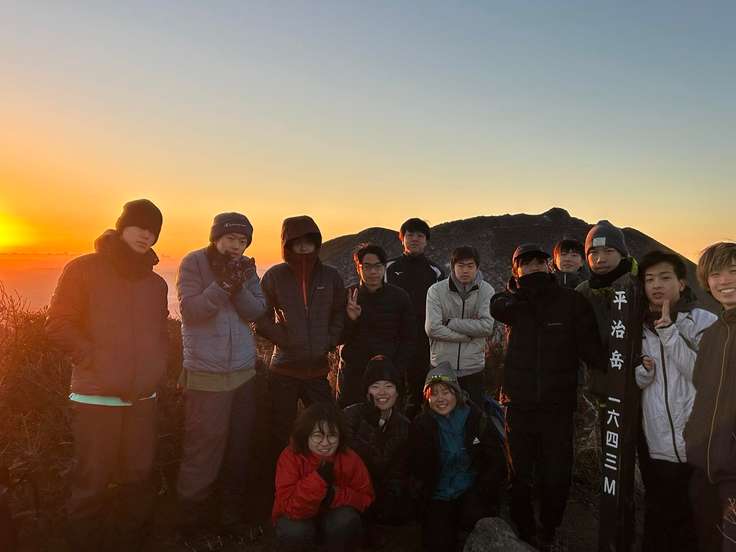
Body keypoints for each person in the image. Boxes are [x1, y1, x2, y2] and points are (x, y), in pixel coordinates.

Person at [46, 199, 168, 551]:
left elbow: (161, 332)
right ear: (122, 226)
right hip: (95, 396)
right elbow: (58, 324)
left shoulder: (156, 284)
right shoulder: (84, 269)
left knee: (138, 477)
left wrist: (157, 367)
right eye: (140, 226)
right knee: (92, 481)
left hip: (143, 398)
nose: (146, 235)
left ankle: (129, 542)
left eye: (153, 231)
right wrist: (93, 359)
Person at [490, 243, 603, 550]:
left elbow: (591, 349)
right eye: (526, 264)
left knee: (557, 473)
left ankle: (550, 528)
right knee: (519, 473)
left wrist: (621, 366)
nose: (534, 268)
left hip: (558, 404)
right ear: (516, 271)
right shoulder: (512, 302)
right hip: (518, 403)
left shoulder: (571, 301)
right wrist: (520, 292)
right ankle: (524, 528)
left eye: (539, 262)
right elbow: (498, 306)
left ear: (549, 266)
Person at [175, 212, 267, 540]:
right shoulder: (194, 262)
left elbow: (257, 310)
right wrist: (223, 285)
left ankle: (230, 518)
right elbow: (191, 311)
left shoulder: (246, 268)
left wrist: (237, 285)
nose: (236, 246)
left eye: (242, 241)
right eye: (230, 239)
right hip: (206, 374)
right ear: (216, 237)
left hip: (242, 373)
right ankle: (191, 525)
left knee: (238, 448)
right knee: (203, 450)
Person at [633, 250, 717, 552]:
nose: (656, 285)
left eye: (665, 277)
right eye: (649, 280)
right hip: (656, 442)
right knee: (658, 515)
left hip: (696, 444)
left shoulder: (703, 321)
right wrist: (642, 373)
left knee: (694, 521)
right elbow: (635, 381)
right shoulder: (638, 328)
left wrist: (669, 333)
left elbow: (704, 376)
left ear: (682, 283)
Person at [575, 220, 643, 550]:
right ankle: (616, 533)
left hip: (646, 390)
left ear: (622, 253)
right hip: (606, 390)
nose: (600, 259)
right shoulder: (584, 292)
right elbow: (579, 335)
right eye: (593, 253)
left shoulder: (639, 285)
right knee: (614, 464)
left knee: (649, 461)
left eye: (608, 251)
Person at [256, 215, 346, 455]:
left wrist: (329, 340)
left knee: (327, 426)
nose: (304, 246)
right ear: (287, 244)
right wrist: (285, 340)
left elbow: (339, 312)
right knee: (280, 431)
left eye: (309, 240)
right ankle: (279, 475)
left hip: (317, 370)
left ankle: (321, 473)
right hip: (283, 370)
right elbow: (261, 319)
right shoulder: (275, 276)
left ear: (316, 242)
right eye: (297, 242)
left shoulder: (331, 276)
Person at [409, 363, 506, 552]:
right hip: (438, 496)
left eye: (446, 392)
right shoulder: (421, 425)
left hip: (471, 492)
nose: (440, 398)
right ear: (427, 398)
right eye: (434, 393)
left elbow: (496, 461)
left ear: (456, 393)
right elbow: (415, 470)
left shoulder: (477, 419)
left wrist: (482, 492)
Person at [684, 242, 736, 551]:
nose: (724, 281)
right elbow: (702, 390)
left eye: (734, 271)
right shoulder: (714, 333)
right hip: (704, 467)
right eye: (716, 274)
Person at [272, 402, 374, 552]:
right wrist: (318, 482)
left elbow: (366, 498)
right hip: (298, 518)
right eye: (317, 436)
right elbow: (288, 506)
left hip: (332, 518)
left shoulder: (349, 458)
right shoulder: (290, 457)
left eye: (332, 436)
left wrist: (334, 495)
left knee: (345, 520)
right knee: (294, 530)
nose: (325, 443)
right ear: (306, 435)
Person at [338, 244, 415, 408]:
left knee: (388, 419)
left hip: (388, 374)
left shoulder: (399, 297)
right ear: (358, 268)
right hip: (354, 374)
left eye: (378, 266)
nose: (373, 272)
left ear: (384, 267)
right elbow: (337, 338)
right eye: (367, 267)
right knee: (350, 417)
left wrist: (396, 369)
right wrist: (351, 319)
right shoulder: (347, 296)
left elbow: (409, 338)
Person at [343, 355, 411, 535]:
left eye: (389, 386)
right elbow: (353, 462)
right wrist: (374, 426)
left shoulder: (404, 425)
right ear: (367, 392)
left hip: (384, 490)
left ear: (397, 392)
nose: (382, 393)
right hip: (352, 490)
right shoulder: (350, 416)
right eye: (375, 386)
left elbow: (399, 470)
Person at [385, 218, 445, 417]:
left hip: (422, 341)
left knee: (418, 392)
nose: (415, 239)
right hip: (393, 340)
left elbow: (441, 307)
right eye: (410, 235)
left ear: (426, 240)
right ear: (402, 238)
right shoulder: (389, 267)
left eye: (420, 235)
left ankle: (415, 431)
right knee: (391, 389)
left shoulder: (436, 271)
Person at [425, 246, 495, 407]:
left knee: (474, 415)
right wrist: (466, 335)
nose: (465, 270)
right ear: (452, 266)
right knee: (440, 413)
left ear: (477, 267)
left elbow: (486, 327)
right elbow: (432, 328)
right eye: (461, 265)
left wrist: (450, 322)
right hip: (441, 366)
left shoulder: (486, 291)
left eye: (470, 266)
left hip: (473, 368)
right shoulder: (436, 291)